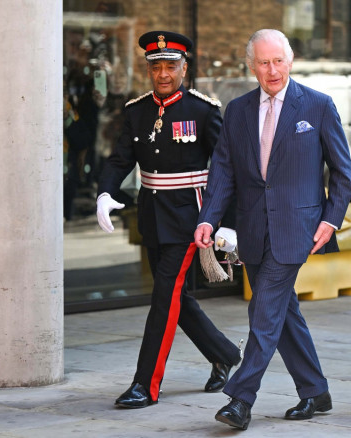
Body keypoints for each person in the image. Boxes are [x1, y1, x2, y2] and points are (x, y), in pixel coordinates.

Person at [194, 29, 351, 430]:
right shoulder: (238, 110)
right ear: (251, 66)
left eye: (278, 60)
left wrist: (331, 219)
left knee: (263, 310)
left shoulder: (317, 106)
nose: (272, 70)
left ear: (291, 60)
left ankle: (241, 399)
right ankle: (316, 391)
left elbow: (342, 171)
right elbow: (223, 171)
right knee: (283, 313)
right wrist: (208, 218)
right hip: (252, 229)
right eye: (263, 63)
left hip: (296, 228)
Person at [95, 30, 242, 409]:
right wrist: (106, 192)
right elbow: (119, 159)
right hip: (152, 214)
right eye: (156, 66)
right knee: (176, 297)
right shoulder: (136, 110)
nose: (163, 74)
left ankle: (146, 384)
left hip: (191, 219)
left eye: (171, 66)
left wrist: (225, 220)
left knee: (163, 299)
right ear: (149, 70)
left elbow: (227, 169)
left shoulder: (203, 110)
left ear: (184, 68)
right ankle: (224, 353)